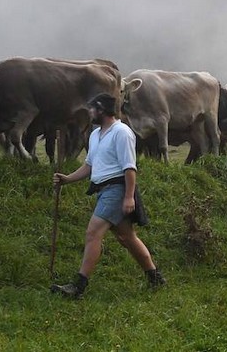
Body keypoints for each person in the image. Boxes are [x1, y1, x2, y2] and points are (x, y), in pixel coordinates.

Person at [50, 92, 165, 298]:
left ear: (102, 109)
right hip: (103, 190)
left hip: (116, 190)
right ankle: (154, 276)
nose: (90, 113)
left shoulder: (121, 132)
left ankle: (78, 287)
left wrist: (129, 196)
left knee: (93, 233)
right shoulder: (95, 134)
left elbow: (129, 168)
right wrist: (67, 179)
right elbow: (89, 165)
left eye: (92, 109)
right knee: (126, 237)